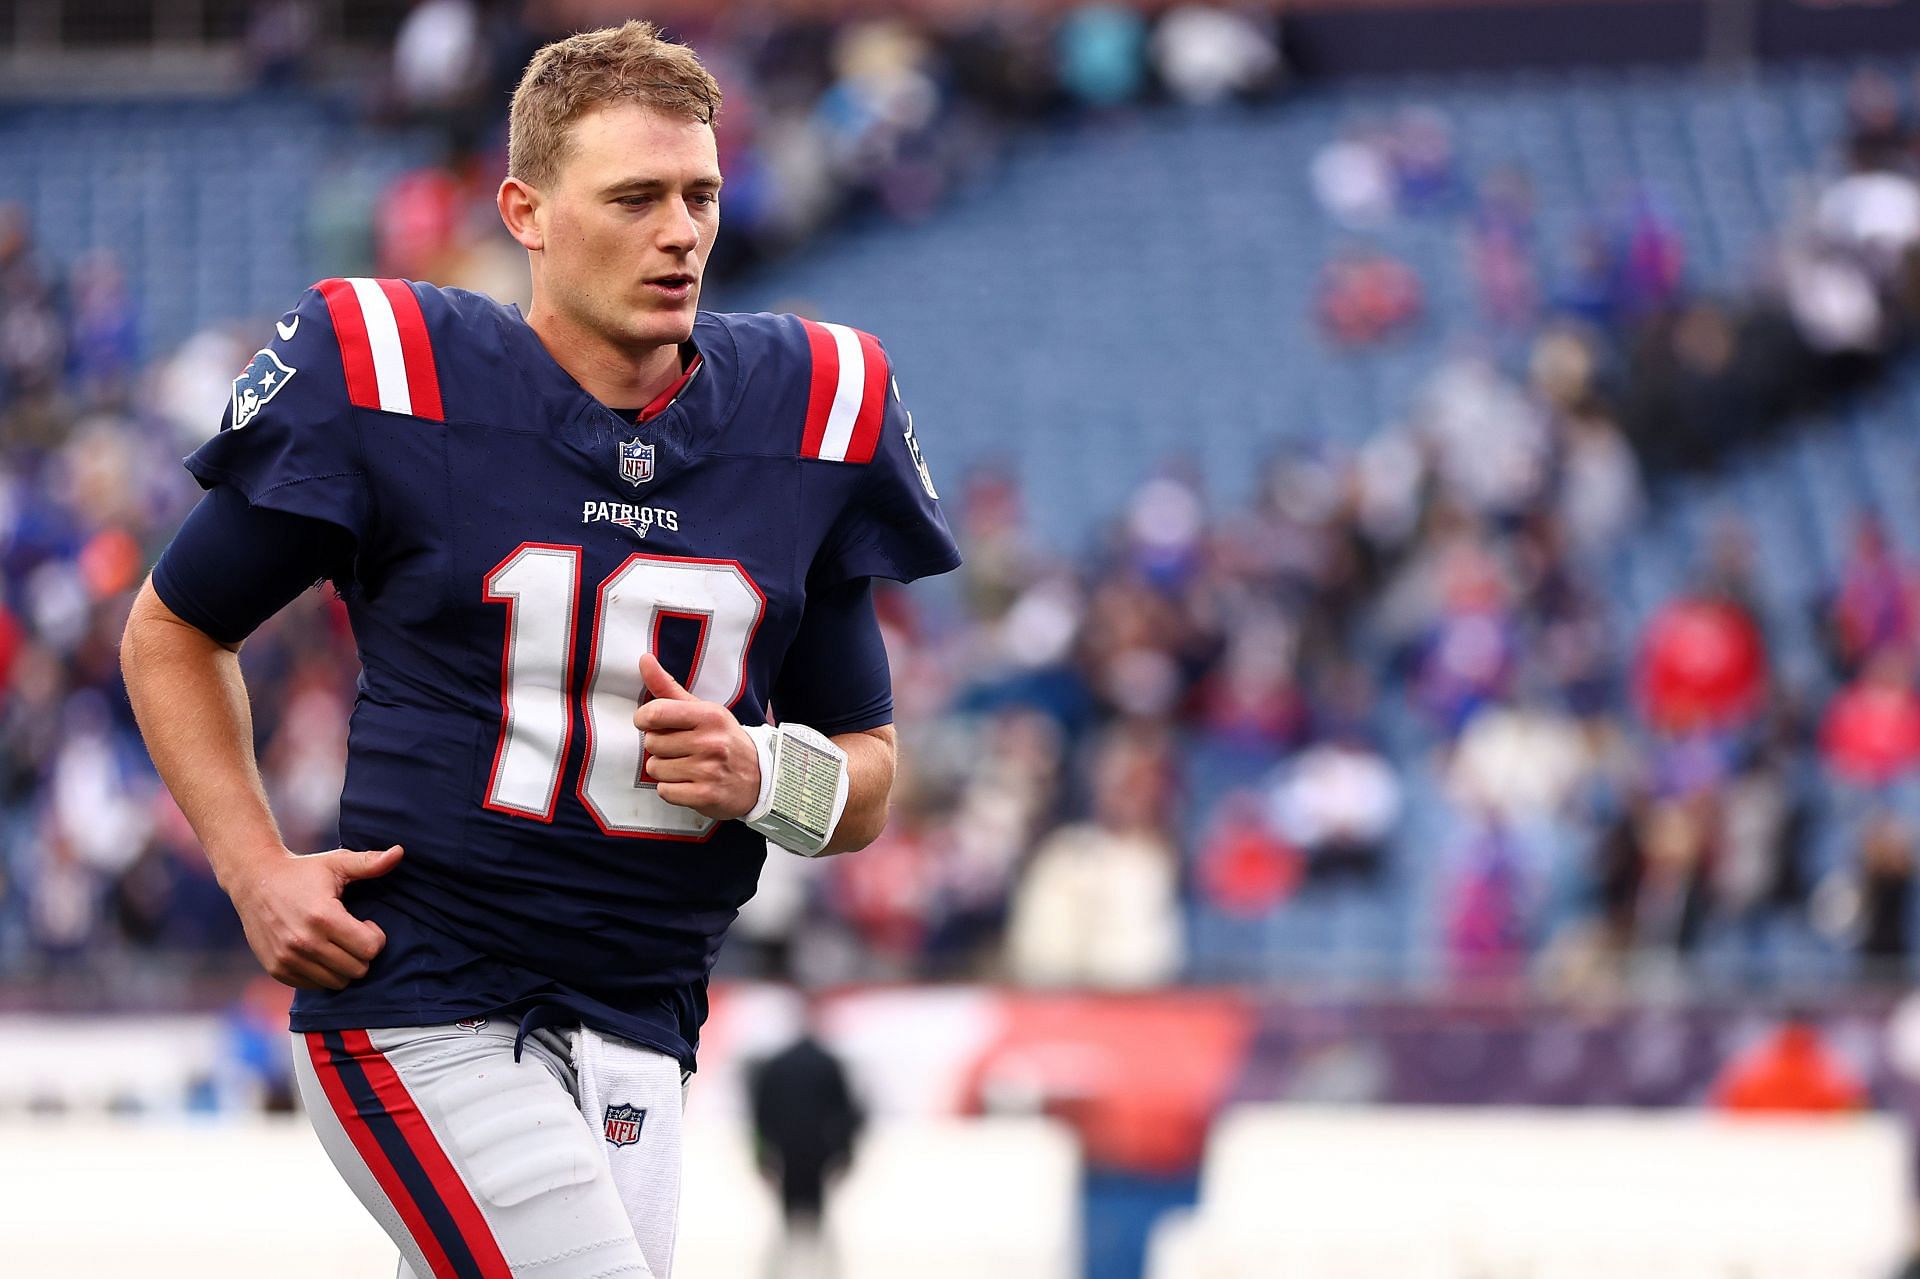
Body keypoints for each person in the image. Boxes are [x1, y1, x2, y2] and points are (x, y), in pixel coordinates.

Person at [119, 21, 959, 1279]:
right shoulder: (394, 373)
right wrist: (251, 869)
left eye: (700, 196)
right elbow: (175, 628)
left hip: (643, 1019)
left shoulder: (811, 407)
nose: (680, 231)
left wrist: (763, 773)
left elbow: (868, 774)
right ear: (526, 211)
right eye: (635, 197)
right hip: (423, 996)